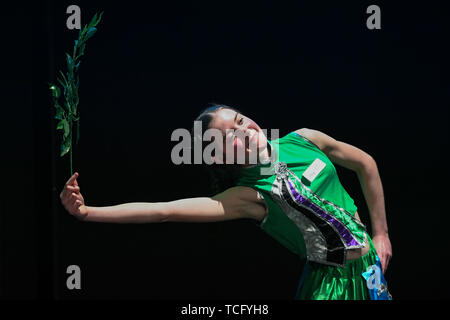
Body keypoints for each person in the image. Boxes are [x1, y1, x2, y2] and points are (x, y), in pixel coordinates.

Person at [60, 104, 392, 300]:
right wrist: (88, 213)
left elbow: (366, 164)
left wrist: (381, 235)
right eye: (230, 136)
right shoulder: (248, 195)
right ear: (220, 156)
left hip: (370, 269)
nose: (244, 129)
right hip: (329, 287)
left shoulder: (305, 139)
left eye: (239, 120)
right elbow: (164, 211)